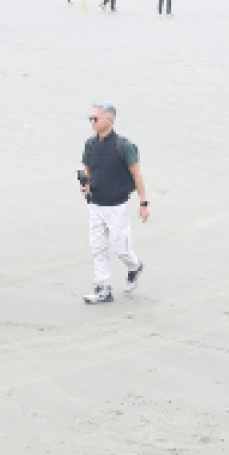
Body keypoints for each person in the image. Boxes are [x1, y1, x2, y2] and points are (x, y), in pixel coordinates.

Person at [79, 104, 149, 305]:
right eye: (90, 119)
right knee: (98, 247)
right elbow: (88, 168)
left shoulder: (124, 146)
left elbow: (137, 174)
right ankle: (103, 288)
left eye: (95, 119)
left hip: (118, 206)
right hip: (95, 204)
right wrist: (86, 187)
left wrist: (143, 203)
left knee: (121, 249)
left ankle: (134, 266)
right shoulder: (90, 144)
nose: (92, 123)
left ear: (109, 120)